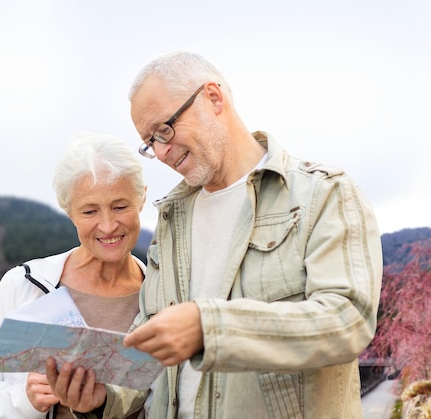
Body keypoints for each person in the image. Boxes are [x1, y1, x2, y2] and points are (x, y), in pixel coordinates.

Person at [47, 51, 383, 418]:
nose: (161, 152)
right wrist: (101, 399)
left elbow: (346, 321)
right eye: (149, 142)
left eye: (164, 130)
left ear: (213, 97)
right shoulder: (171, 220)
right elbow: (148, 352)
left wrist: (211, 327)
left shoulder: (323, 194)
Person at [0, 132, 148, 419]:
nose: (107, 226)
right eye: (90, 211)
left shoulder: (159, 295)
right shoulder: (25, 285)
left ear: (141, 199)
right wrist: (27, 400)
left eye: (120, 206)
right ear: (70, 213)